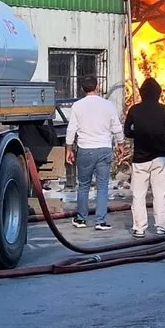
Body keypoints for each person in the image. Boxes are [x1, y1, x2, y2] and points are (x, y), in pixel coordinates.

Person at [65, 76, 124, 230]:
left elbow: (71, 129)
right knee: (103, 186)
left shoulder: (77, 106)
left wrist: (69, 149)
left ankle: (81, 219)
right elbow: (117, 127)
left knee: (83, 185)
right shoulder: (109, 105)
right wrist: (121, 144)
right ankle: (100, 221)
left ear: (82, 89)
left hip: (85, 150)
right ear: (97, 87)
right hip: (104, 148)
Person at [123, 77, 165, 238]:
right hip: (160, 157)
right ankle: (161, 227)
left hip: (140, 158)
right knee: (160, 193)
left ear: (142, 94)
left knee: (138, 194)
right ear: (158, 94)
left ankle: (139, 228)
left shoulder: (134, 110)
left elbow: (127, 132)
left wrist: (137, 132)